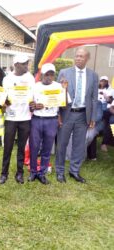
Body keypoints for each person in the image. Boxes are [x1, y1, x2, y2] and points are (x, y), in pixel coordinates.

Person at [55, 47, 98, 183]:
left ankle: (74, 171)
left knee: (79, 145)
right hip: (67, 114)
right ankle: (60, 171)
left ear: (87, 58)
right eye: (77, 56)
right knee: (62, 143)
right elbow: (57, 94)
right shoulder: (64, 72)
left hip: (83, 115)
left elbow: (94, 98)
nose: (78, 58)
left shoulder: (93, 75)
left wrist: (92, 118)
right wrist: (58, 115)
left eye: (82, 56)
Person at [0, 55, 34, 184]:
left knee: (21, 147)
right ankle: (4, 173)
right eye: (24, 64)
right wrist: (5, 102)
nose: (26, 66)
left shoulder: (30, 78)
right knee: (7, 146)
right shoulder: (7, 79)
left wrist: (33, 104)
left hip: (25, 118)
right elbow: (4, 97)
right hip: (11, 117)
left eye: (27, 63)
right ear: (16, 65)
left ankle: (19, 173)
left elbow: (32, 96)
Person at [28, 63, 62, 185]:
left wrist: (66, 89)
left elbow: (64, 103)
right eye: (47, 74)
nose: (49, 77)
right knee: (34, 146)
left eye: (51, 74)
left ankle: (42, 173)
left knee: (47, 148)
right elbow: (30, 105)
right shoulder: (35, 86)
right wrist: (33, 107)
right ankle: (33, 171)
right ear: (42, 75)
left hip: (51, 120)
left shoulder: (59, 86)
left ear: (54, 76)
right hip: (37, 119)